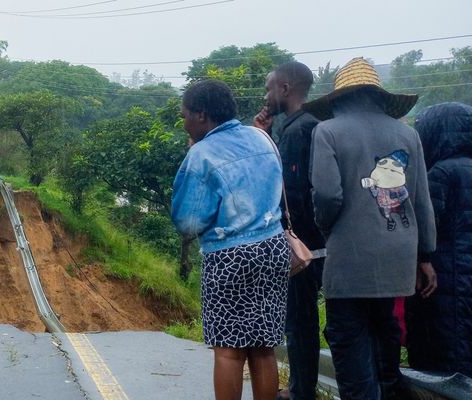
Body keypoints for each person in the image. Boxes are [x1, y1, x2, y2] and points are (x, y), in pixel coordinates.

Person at [304, 57, 436, 399]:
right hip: (399, 259)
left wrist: (328, 229)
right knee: (385, 340)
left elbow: (328, 195)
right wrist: (425, 257)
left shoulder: (327, 131)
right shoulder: (408, 133)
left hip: (349, 261)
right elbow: (421, 201)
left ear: (339, 99)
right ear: (379, 96)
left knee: (350, 346)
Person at [170, 79, 290, 400]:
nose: (183, 123)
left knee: (228, 351)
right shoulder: (262, 138)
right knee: (263, 348)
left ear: (201, 115)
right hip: (274, 248)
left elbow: (187, 221)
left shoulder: (202, 154)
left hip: (229, 256)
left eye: (184, 116)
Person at [255, 61, 328, 400]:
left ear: (285, 89)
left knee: (300, 321)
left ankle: (302, 392)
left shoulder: (301, 130)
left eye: (270, 87)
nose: (266, 95)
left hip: (304, 243)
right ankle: (302, 389)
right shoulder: (300, 126)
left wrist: (286, 231)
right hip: (318, 241)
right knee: (303, 320)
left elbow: (292, 190)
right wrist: (267, 137)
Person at [407, 102, 471, 378]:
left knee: (445, 342)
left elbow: (424, 224)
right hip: (465, 270)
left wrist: (422, 260)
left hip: (443, 274)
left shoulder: (440, 174)